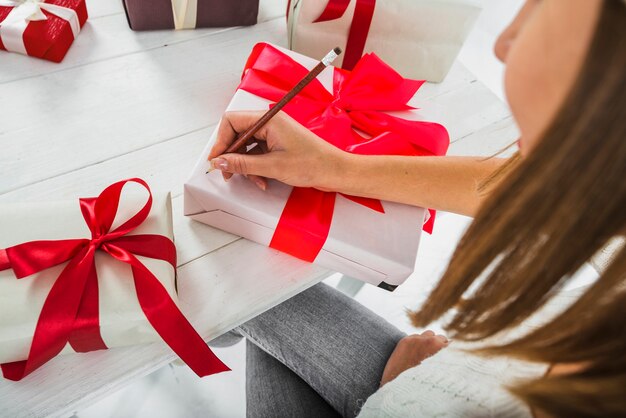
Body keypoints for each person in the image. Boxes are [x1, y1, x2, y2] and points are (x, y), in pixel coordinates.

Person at [208, 0, 626, 417]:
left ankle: (218, 328)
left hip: (417, 399)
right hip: (452, 375)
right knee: (253, 285)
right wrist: (336, 167)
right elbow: (543, 186)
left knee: (232, 282)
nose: (501, 44)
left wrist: (402, 401)